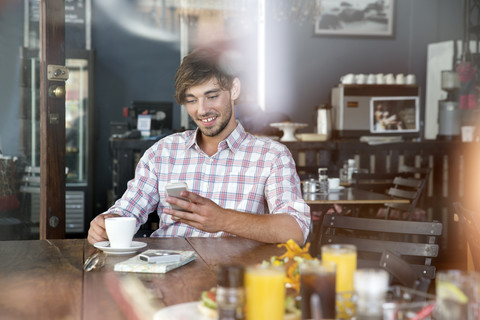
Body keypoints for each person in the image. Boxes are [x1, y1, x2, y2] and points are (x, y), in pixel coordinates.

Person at [87, 47, 310, 245]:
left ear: (234, 89)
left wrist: (224, 219)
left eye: (211, 96)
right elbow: (128, 210)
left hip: (236, 278)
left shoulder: (271, 155)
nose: (202, 110)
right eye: (192, 100)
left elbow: (296, 230)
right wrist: (107, 223)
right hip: (169, 273)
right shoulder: (164, 152)